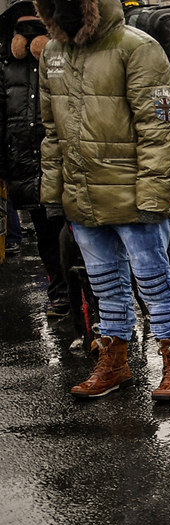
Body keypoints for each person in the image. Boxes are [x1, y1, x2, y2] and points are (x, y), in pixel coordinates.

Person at [37, 0, 170, 401]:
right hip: (82, 194)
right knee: (105, 285)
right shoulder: (54, 54)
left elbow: (159, 127)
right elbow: (51, 130)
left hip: (133, 192)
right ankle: (114, 361)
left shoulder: (137, 47)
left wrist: (154, 194)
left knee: (154, 282)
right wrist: (54, 192)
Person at [0, 3, 67, 317]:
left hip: (61, 162)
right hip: (25, 163)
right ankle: (59, 290)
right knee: (44, 234)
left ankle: (87, 294)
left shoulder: (59, 60)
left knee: (72, 231)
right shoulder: (6, 68)